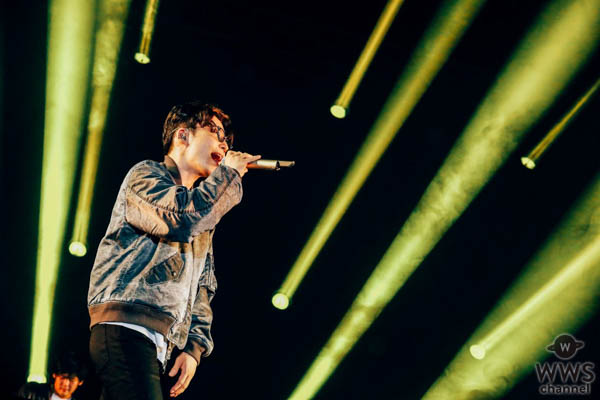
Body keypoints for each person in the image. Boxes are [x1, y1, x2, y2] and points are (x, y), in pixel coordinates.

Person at [87, 101, 260, 399]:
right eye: (216, 133)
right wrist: (229, 175)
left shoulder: (203, 211)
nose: (224, 144)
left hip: (159, 343)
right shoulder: (146, 176)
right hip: (125, 326)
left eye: (227, 140)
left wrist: (194, 347)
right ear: (183, 135)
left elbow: (202, 285)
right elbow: (180, 217)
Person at [17, 351, 87, 400]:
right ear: (54, 375)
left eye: (71, 380)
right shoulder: (30, 392)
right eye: (63, 377)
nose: (66, 383)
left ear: (80, 382)